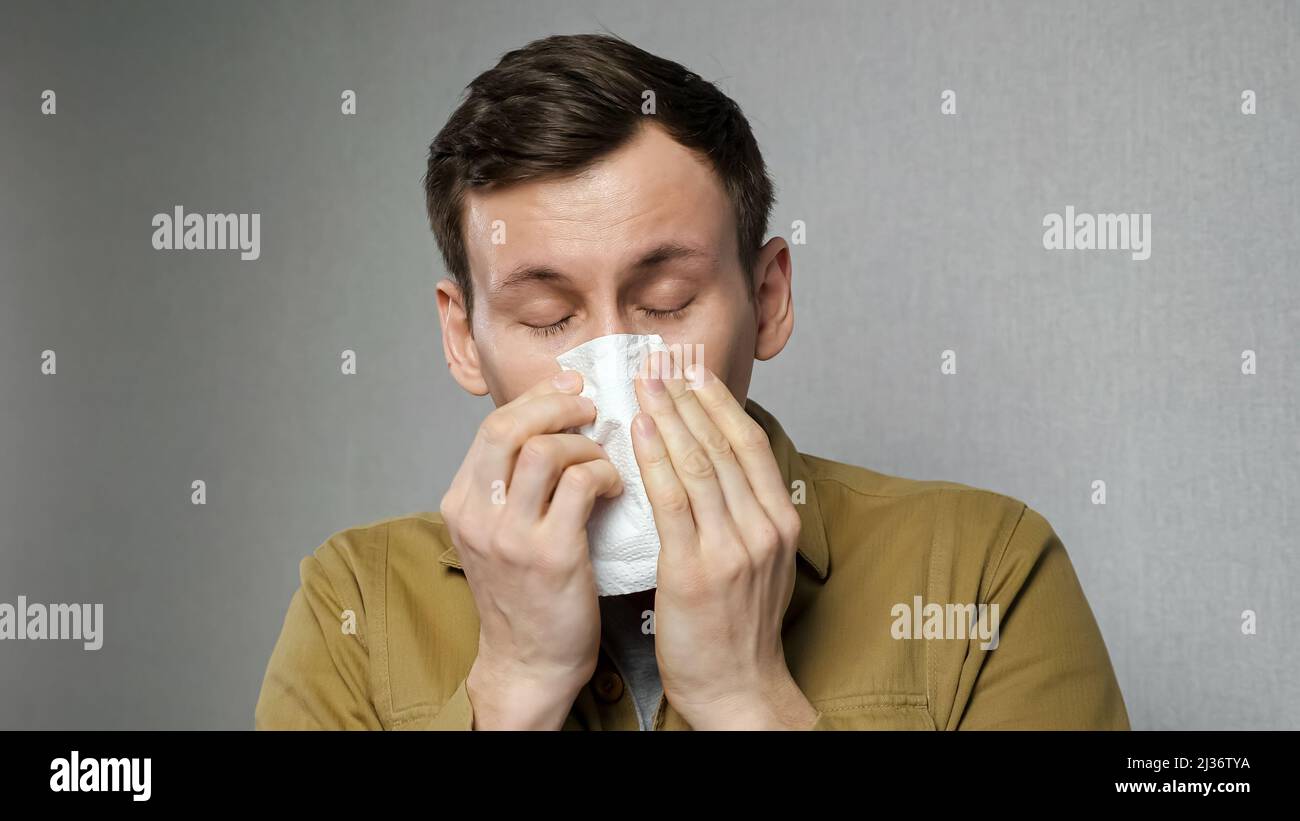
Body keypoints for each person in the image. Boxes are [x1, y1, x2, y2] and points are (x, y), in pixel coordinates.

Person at [254, 32, 1129, 730]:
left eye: (666, 302)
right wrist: (514, 685)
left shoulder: (983, 572)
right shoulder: (356, 605)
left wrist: (748, 698)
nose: (614, 370)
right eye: (548, 318)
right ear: (464, 337)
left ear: (768, 298)